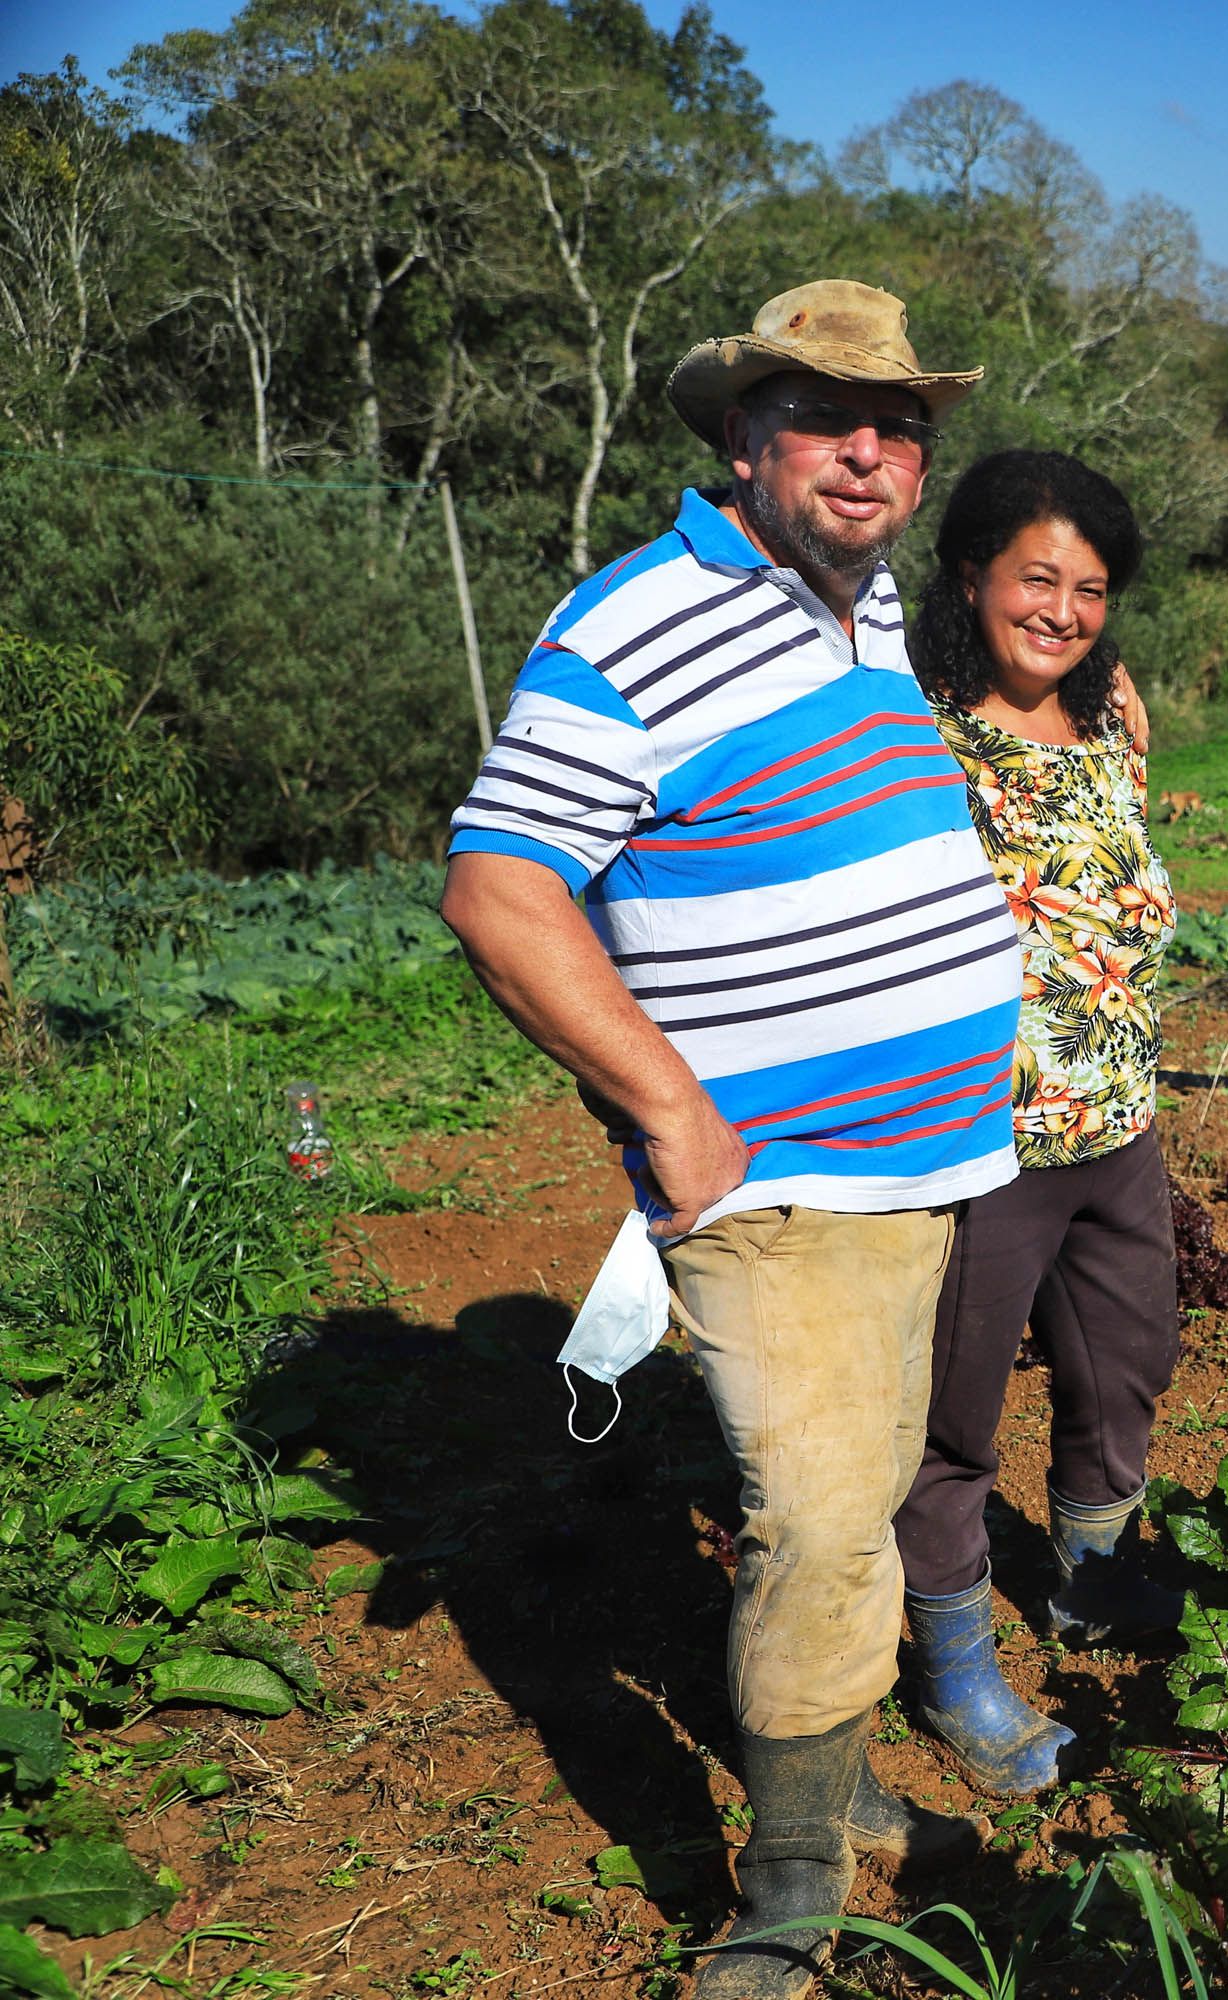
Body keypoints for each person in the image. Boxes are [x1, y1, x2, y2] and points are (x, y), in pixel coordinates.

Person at [439, 280, 1033, 2000]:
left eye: (898, 424)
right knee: (821, 1531)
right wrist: (674, 1109)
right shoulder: (635, 623)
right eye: (826, 416)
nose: (867, 450)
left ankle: (836, 1798)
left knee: (844, 1503)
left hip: (917, 1164)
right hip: (789, 1186)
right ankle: (787, 1895)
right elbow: (500, 888)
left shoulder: (861, 604)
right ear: (743, 435)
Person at [890, 449, 1186, 1795]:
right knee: (953, 1418)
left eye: (1090, 589)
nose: (1063, 609)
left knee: (1124, 1360)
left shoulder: (1108, 724)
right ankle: (952, 1661)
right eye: (1038, 579)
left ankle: (1090, 1576)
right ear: (972, 576)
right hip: (981, 1138)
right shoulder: (915, 730)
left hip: (1117, 1122)